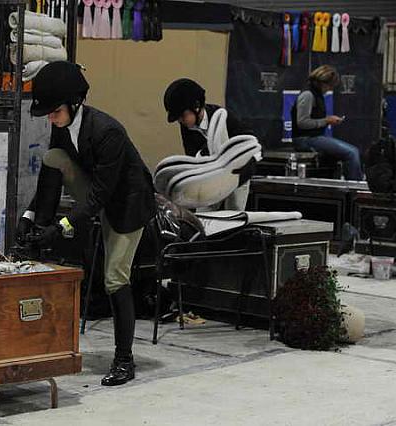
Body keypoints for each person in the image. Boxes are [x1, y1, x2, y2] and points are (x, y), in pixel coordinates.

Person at [17, 61, 156, 386]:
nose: (50, 118)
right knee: (53, 157)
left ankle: (125, 360)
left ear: (74, 103)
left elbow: (98, 199)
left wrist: (63, 225)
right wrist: (32, 216)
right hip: (97, 190)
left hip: (128, 204)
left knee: (115, 278)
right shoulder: (62, 124)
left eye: (54, 112)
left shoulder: (108, 132)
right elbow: (55, 170)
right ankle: (40, 236)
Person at [163, 78, 256, 210]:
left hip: (238, 173)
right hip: (211, 176)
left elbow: (250, 143)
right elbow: (193, 156)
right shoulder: (187, 126)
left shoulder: (224, 117)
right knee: (204, 215)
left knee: (233, 214)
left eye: (182, 116)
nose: (180, 121)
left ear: (196, 107)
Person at [291, 65, 362, 180]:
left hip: (312, 137)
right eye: (329, 86)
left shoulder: (316, 95)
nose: (330, 89)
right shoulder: (308, 95)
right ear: (322, 83)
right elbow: (302, 122)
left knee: (348, 153)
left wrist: (327, 120)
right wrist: (326, 121)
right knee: (352, 153)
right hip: (305, 139)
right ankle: (355, 189)